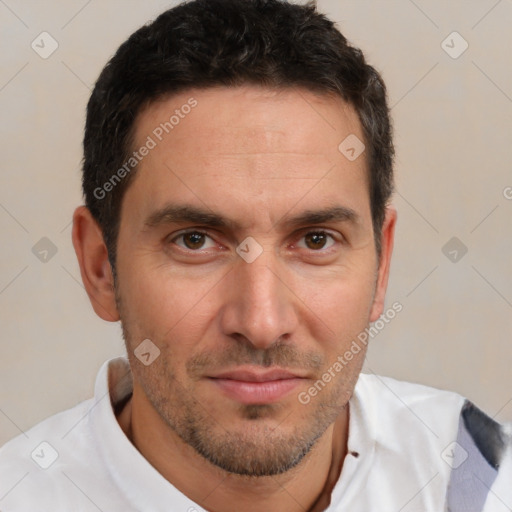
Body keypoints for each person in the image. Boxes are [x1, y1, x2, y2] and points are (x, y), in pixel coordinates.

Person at [0, 0, 510, 510]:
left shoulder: (481, 481)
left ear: (381, 266)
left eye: (315, 240)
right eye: (195, 240)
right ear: (100, 267)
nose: (262, 323)